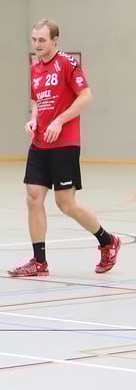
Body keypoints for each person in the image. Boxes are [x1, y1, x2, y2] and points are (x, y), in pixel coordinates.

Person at [8, 19, 121, 277]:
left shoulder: (67, 63)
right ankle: (39, 262)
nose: (37, 44)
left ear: (55, 40)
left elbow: (86, 96)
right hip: (40, 143)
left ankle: (107, 241)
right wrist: (34, 119)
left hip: (64, 143)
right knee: (33, 198)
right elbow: (36, 100)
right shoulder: (35, 68)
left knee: (66, 203)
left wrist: (59, 120)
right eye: (34, 40)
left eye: (42, 40)